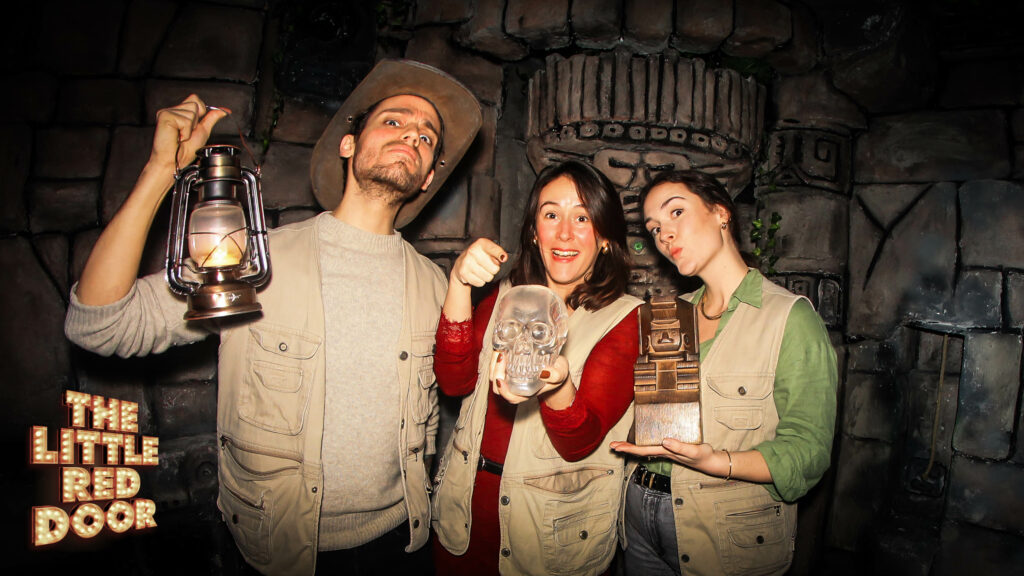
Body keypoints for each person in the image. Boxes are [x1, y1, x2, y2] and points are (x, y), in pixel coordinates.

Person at [64, 59, 482, 576]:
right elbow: (101, 325)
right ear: (348, 144)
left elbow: (446, 402)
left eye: (426, 137)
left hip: (400, 545)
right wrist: (159, 172)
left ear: (428, 178)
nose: (411, 137)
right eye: (393, 121)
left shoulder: (436, 285)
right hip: (279, 551)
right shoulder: (252, 260)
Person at [609, 169, 838, 576]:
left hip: (724, 529)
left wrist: (719, 461)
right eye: (654, 228)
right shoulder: (667, 316)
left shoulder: (790, 317)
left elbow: (809, 452)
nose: (665, 235)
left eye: (676, 212)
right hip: (639, 515)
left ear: (720, 213)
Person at [430, 160, 643, 576]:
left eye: (582, 217)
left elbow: (579, 441)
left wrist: (557, 385)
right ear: (533, 231)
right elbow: (454, 382)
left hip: (549, 535)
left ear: (604, 237)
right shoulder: (504, 296)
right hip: (463, 517)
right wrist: (459, 283)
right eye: (551, 215)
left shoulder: (625, 318)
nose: (564, 233)